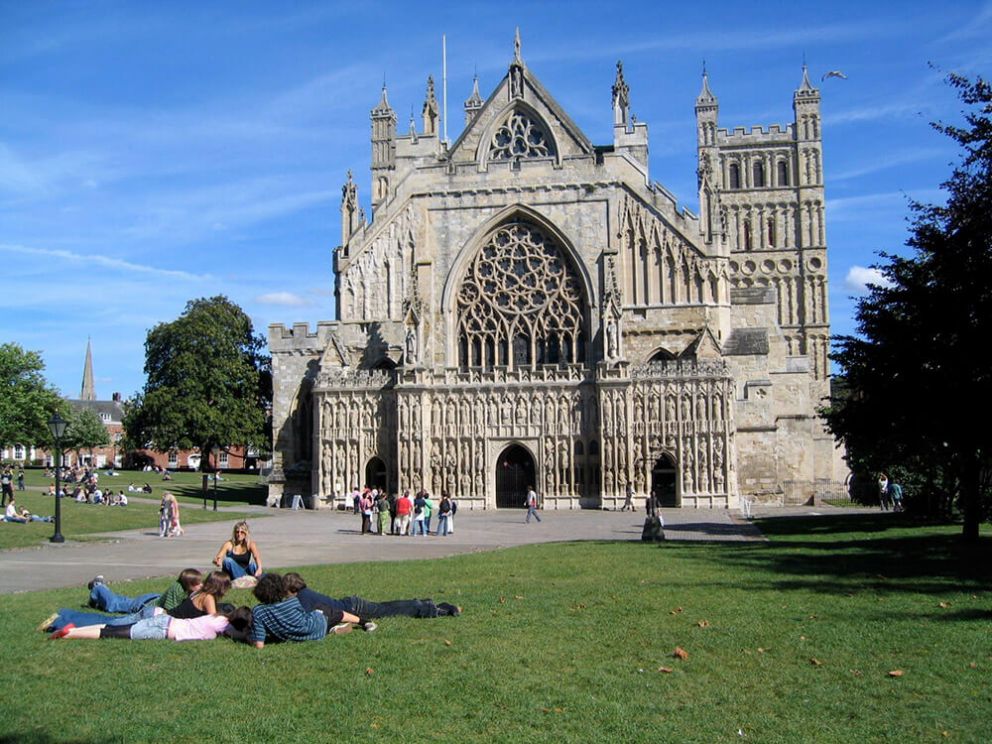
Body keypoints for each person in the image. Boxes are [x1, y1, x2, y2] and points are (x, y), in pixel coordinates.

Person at [41, 569, 203, 633]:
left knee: (118, 602)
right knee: (114, 606)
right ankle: (98, 587)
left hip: (150, 601)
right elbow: (171, 612)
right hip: (147, 606)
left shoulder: (186, 591)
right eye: (198, 583)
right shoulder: (178, 590)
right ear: (188, 584)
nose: (201, 586)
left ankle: (97, 595)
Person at [283, 572, 461, 623]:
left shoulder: (303, 598)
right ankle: (425, 603)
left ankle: (438, 609)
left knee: (390, 611)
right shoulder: (305, 593)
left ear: (291, 589)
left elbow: (304, 620)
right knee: (389, 608)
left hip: (354, 608)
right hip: (352, 604)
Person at [246, 573, 356, 649]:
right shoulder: (292, 601)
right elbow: (304, 616)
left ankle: (334, 628)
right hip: (316, 627)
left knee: (323, 613)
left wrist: (246, 637)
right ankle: (360, 621)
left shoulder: (258, 612)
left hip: (295, 636)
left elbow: (259, 645)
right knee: (324, 610)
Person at [50, 604, 251, 642]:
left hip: (166, 621)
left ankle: (74, 629)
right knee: (111, 633)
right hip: (162, 629)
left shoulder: (217, 617)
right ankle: (70, 633)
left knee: (113, 627)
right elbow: (242, 636)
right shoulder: (225, 626)